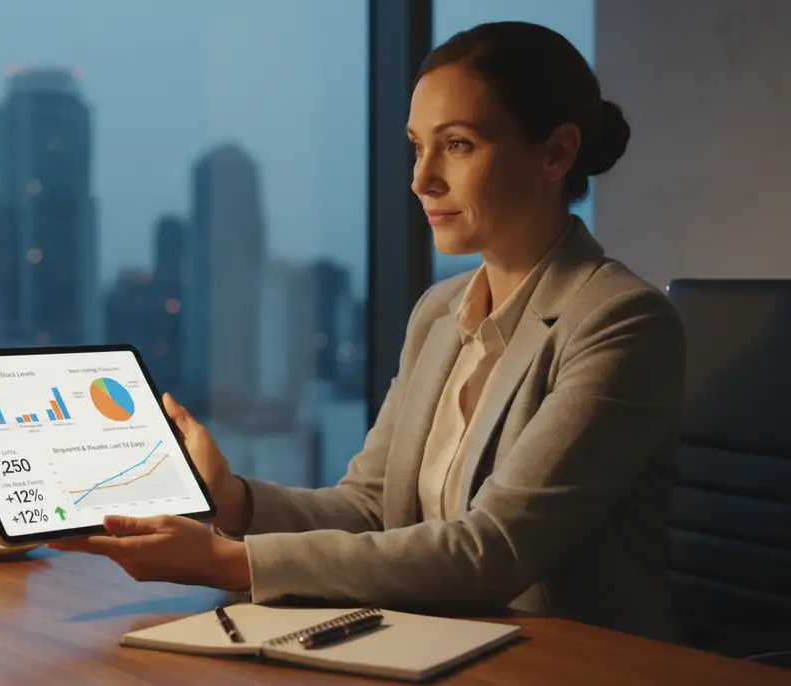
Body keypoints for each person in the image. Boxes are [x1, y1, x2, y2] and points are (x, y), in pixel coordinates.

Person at [49, 21, 686, 643]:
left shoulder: (619, 322)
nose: (421, 178)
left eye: (457, 144)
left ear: (556, 153)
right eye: (417, 146)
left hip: (562, 660)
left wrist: (223, 561)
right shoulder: (440, 312)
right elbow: (370, 510)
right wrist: (234, 503)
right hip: (430, 643)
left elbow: (492, 552)